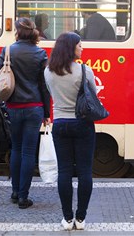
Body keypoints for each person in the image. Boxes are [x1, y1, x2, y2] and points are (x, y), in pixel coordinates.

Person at [0, 17, 51, 209]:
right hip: (34, 106)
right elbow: (45, 86)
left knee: (16, 149)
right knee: (28, 152)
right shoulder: (40, 53)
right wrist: (46, 111)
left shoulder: (8, 51)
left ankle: (14, 191)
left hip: (13, 107)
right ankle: (23, 196)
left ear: (18, 32)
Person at [44, 32, 96, 231]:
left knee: (64, 171)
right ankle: (81, 218)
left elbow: (51, 93)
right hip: (82, 123)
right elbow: (93, 95)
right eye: (79, 45)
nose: (82, 48)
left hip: (60, 123)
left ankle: (67, 218)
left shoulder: (48, 71)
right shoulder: (84, 70)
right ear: (71, 48)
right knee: (85, 171)